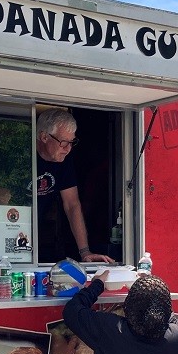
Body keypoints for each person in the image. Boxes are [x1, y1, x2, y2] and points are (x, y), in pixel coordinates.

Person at [35, 108, 115, 264]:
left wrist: (85, 252)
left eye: (72, 142)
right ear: (44, 137)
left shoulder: (64, 159)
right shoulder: (22, 154)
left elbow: (72, 204)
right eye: (64, 142)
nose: (68, 149)